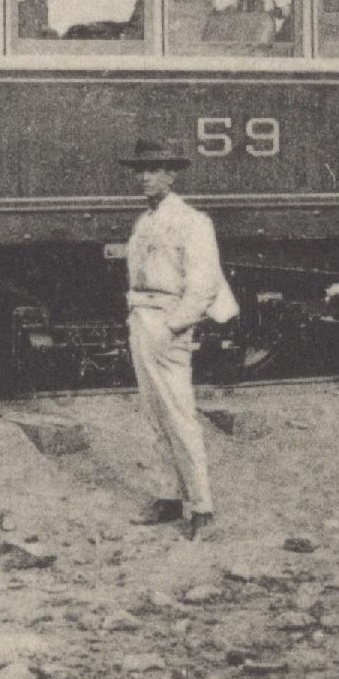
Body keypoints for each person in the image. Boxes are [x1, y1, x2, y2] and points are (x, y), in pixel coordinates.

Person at [120, 133, 235, 541]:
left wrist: (175, 325)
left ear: (171, 175)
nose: (145, 179)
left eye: (153, 171)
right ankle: (173, 495)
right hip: (143, 319)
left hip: (166, 322)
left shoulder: (191, 221)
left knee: (180, 415)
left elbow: (204, 284)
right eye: (140, 171)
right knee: (154, 415)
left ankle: (201, 507)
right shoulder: (145, 220)